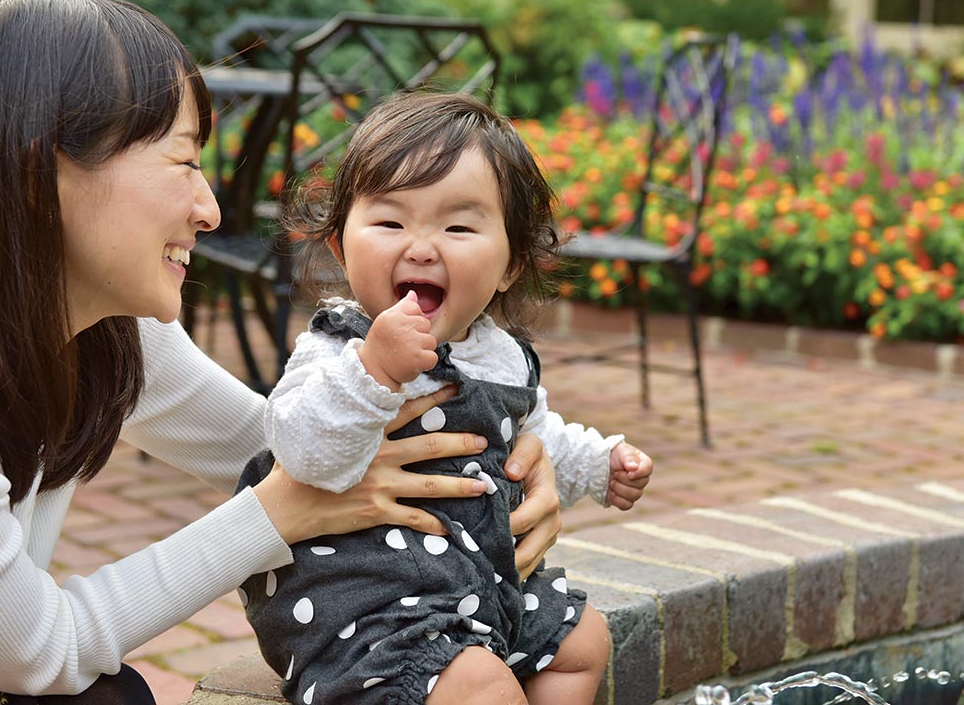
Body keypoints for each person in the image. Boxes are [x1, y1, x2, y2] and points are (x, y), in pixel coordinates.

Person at [0, 0, 565, 705]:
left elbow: (275, 447)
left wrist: (495, 462)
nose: (210, 209)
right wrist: (280, 510)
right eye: (182, 162)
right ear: (39, 175)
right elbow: (43, 652)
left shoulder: (108, 336)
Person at [237, 91, 654, 705]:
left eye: (458, 226)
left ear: (511, 263)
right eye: (390, 222)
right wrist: (374, 373)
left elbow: (534, 437)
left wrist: (599, 464)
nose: (421, 246)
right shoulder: (338, 353)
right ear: (338, 246)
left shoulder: (502, 356)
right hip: (369, 603)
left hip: (478, 584)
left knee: (583, 644)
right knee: (479, 687)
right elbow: (301, 451)